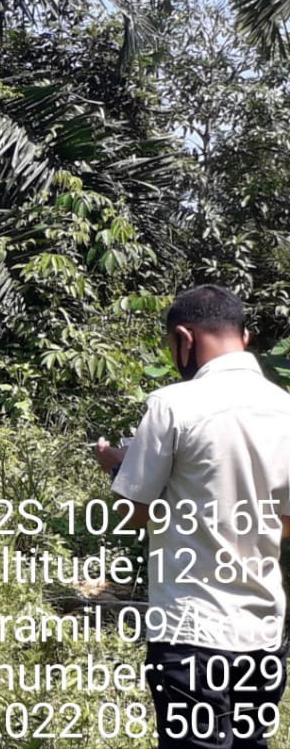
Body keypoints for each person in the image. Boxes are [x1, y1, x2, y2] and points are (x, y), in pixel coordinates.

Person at [95, 285, 290, 749]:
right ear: (245, 335)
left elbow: (132, 514)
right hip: (263, 630)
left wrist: (119, 465)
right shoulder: (285, 408)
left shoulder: (172, 405)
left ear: (185, 338)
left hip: (192, 631)